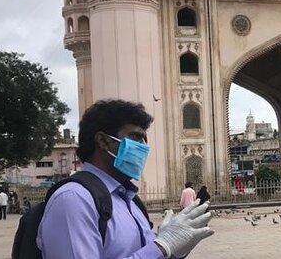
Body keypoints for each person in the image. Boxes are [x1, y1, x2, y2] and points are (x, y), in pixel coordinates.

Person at [37, 99, 214, 259]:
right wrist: (161, 245)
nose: (143, 147)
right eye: (136, 137)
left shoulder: (130, 201)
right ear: (103, 141)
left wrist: (176, 249)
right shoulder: (75, 199)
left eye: (144, 139)